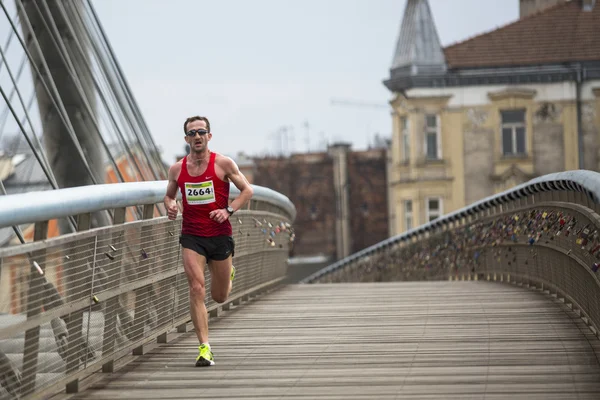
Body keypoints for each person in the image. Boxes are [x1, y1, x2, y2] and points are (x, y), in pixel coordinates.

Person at [164, 115, 253, 366]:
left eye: (201, 132)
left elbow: (248, 190)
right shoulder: (177, 169)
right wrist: (171, 206)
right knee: (196, 288)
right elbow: (169, 197)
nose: (197, 137)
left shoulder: (223, 164)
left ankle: (229, 273)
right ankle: (204, 348)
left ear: (209, 136)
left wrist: (229, 210)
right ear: (186, 139)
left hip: (219, 235)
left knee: (220, 296)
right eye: (192, 133)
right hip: (192, 235)